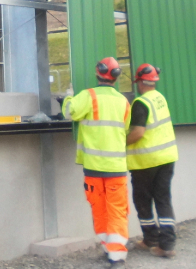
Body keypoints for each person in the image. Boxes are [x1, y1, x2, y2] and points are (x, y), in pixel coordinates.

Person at [63, 57, 131, 265]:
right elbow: (126, 129)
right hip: (117, 168)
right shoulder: (123, 101)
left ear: (98, 73)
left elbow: (69, 112)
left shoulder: (88, 96)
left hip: (93, 168)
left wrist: (67, 96)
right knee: (117, 211)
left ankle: (106, 247)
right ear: (116, 77)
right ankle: (116, 255)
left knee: (99, 210)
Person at [126, 63, 178, 259]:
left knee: (143, 200)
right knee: (163, 199)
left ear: (139, 82)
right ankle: (167, 245)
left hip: (147, 161)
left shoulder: (141, 103)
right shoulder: (159, 98)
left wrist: (122, 142)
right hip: (167, 157)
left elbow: (138, 132)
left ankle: (150, 239)